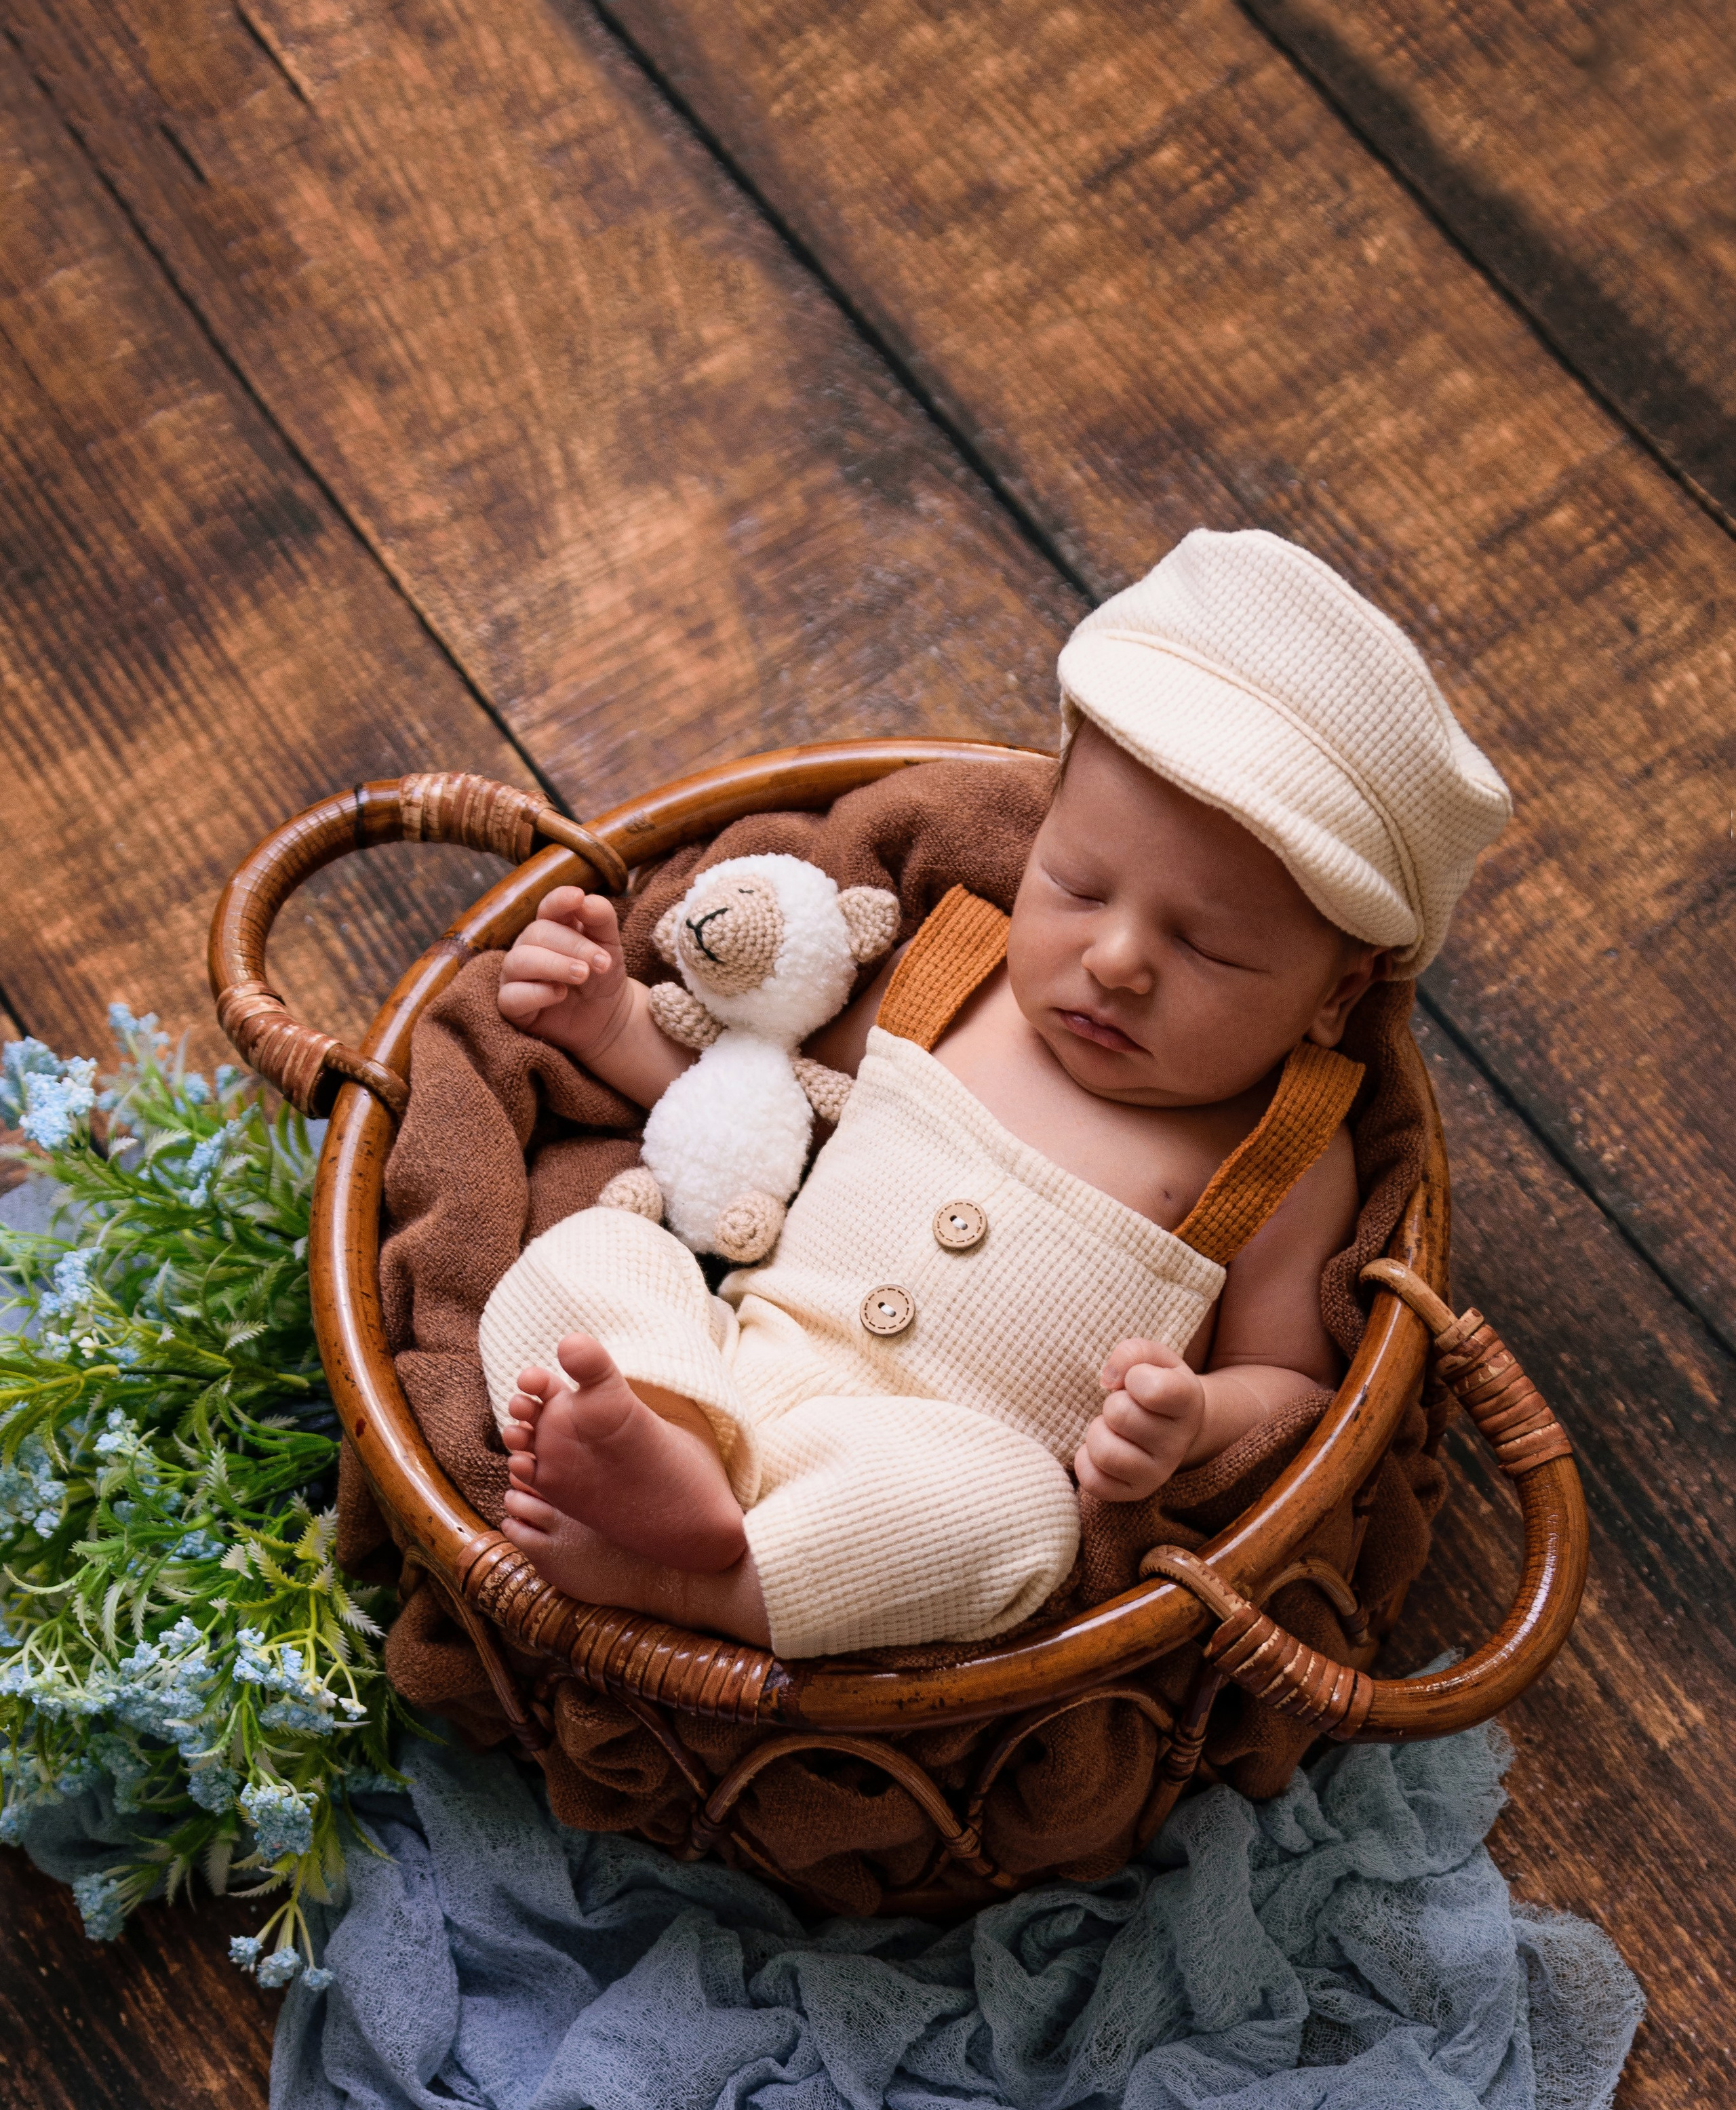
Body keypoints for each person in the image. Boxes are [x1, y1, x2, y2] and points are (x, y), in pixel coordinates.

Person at [478, 529, 1510, 1657]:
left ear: (1335, 991)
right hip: (730, 1365)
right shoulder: (952, 977)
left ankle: (702, 1589)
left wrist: (1197, 1416)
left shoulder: (1287, 1146)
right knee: (592, 1259)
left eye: (1207, 948)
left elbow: (1295, 1381)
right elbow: (758, 1101)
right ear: (1041, 835)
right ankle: (663, 1446)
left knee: (1024, 1518)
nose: (1116, 959)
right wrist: (612, 1019)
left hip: (915, 1484)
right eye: (1076, 884)